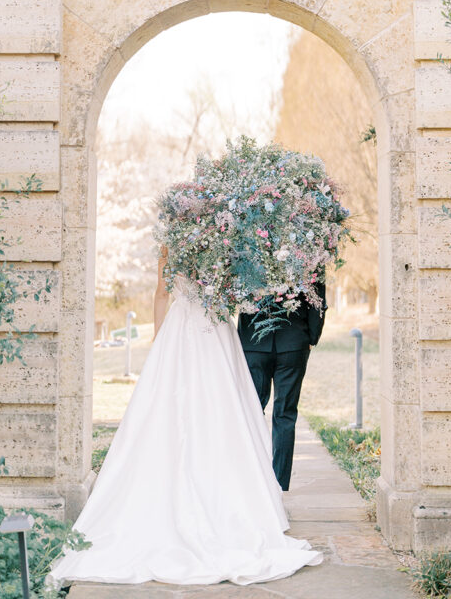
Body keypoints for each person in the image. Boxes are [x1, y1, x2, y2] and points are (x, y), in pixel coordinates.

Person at [46, 245, 322, 588]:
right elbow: (236, 291)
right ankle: (237, 503)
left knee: (175, 411)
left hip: (183, 329)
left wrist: (159, 341)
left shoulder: (170, 243)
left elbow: (161, 293)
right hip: (215, 330)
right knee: (223, 415)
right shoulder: (222, 241)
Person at [238, 282, 327, 493]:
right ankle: (276, 485)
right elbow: (318, 294)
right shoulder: (309, 248)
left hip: (259, 341)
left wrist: (311, 338)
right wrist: (311, 335)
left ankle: (259, 483)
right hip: (286, 340)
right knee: (282, 414)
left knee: (253, 411)